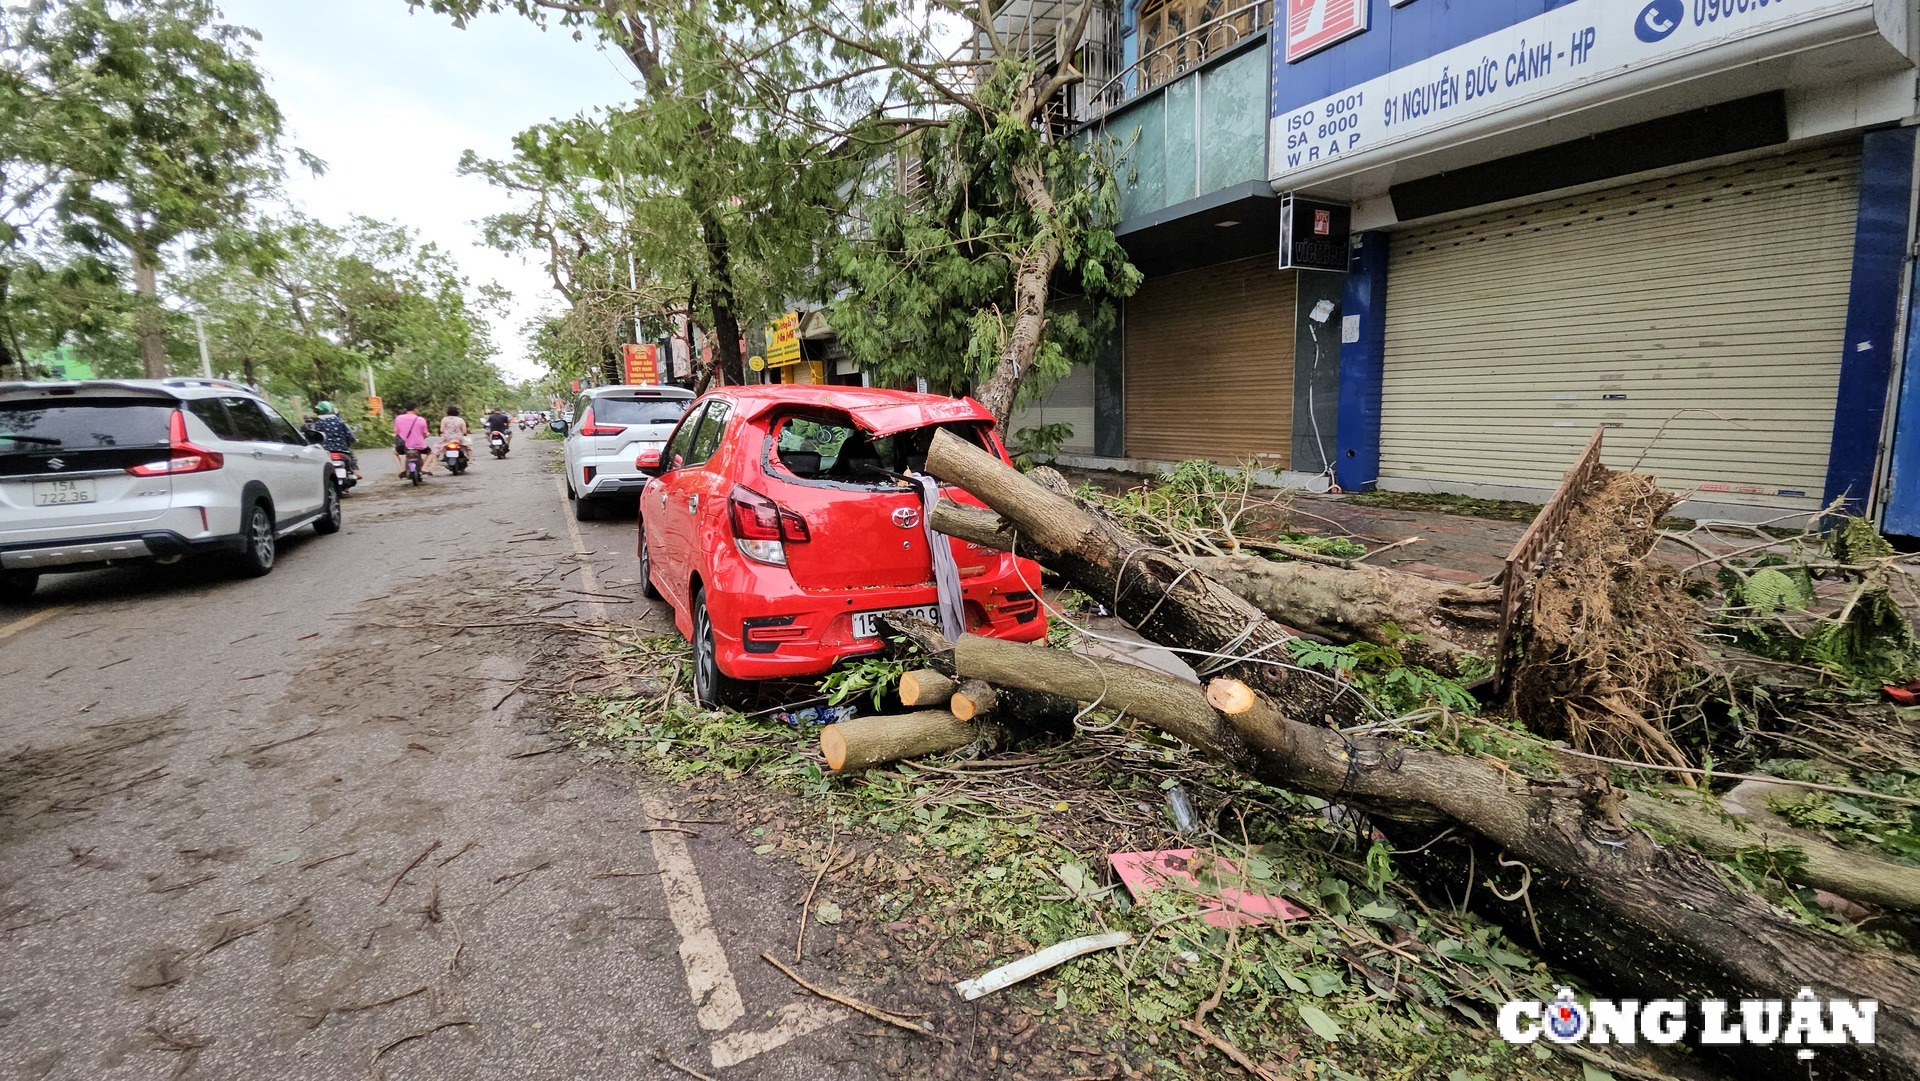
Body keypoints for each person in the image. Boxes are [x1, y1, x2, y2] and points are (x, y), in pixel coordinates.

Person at [311, 401, 359, 479]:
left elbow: (313, 437)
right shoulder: (340, 422)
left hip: (324, 452)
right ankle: (356, 471)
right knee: (352, 457)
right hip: (342, 451)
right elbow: (350, 435)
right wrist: (353, 439)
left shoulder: (317, 423)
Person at [392, 404, 431, 477]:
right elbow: (425, 433)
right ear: (415, 409)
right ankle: (424, 468)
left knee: (394, 454)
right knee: (431, 453)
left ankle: (401, 470)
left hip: (403, 446)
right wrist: (426, 435)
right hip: (418, 445)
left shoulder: (398, 418)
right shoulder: (421, 419)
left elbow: (396, 431)